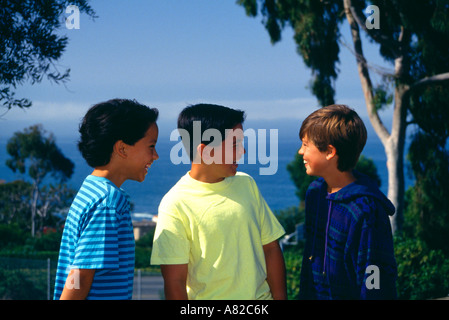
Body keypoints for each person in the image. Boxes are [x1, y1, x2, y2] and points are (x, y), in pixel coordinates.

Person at [151, 103, 286, 300]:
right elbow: (174, 281)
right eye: (234, 145)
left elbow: (271, 248)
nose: (243, 152)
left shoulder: (247, 184)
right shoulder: (175, 203)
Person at [53, 99, 159, 300]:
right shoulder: (109, 203)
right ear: (122, 148)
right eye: (151, 146)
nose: (156, 156)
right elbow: (81, 277)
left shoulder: (91, 189)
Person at [297, 104, 397, 299]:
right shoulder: (315, 193)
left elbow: (375, 281)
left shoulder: (366, 212)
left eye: (305, 144)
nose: (301, 152)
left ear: (329, 152)